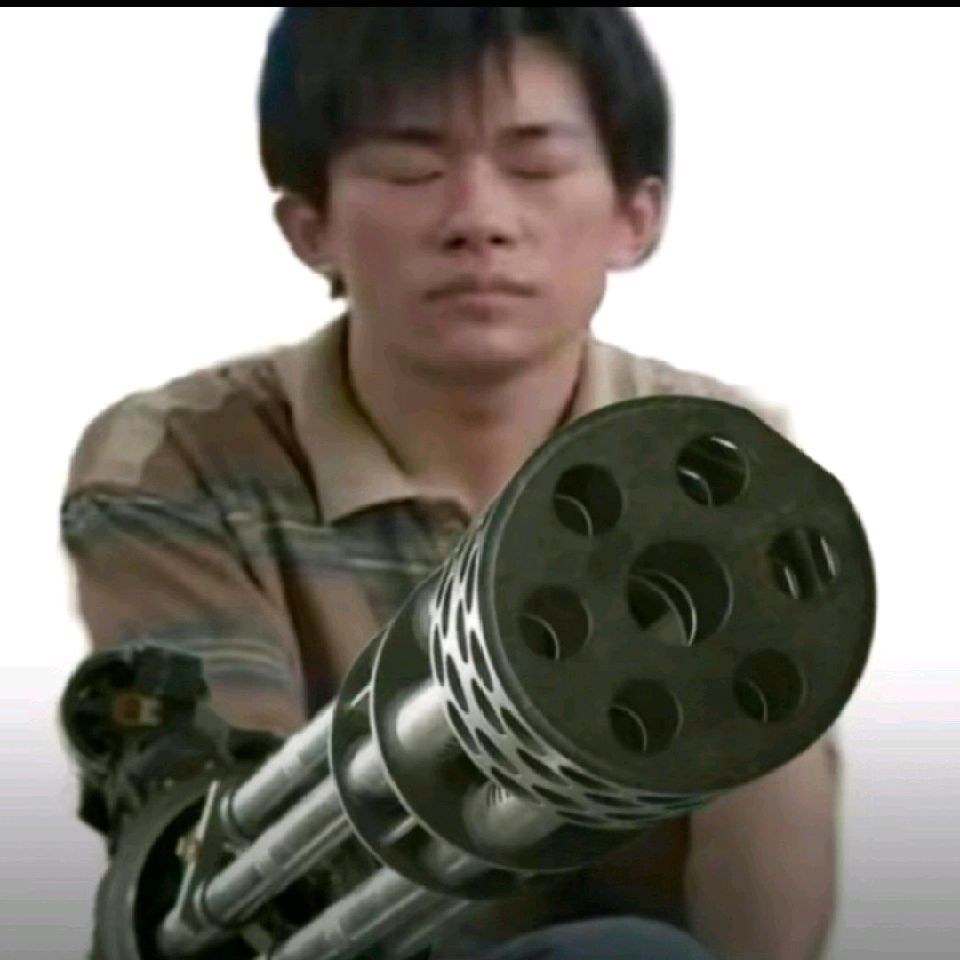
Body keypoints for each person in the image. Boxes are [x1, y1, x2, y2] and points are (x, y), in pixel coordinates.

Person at [59, 9, 839, 960]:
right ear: (309, 226)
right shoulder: (177, 460)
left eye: (536, 166)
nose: (478, 220)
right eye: (409, 170)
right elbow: (236, 870)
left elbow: (765, 927)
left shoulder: (723, 466)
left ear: (635, 217)